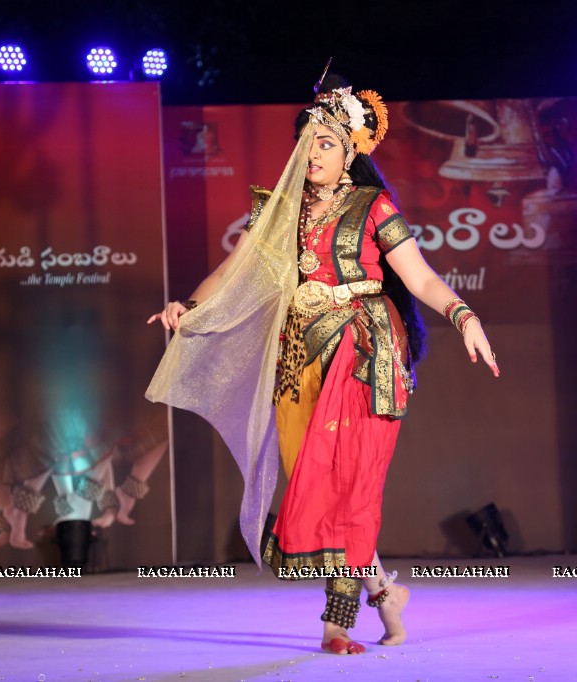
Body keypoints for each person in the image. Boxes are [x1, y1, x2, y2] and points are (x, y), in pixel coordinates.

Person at [146, 73, 498, 655]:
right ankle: (385, 592)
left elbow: (419, 277)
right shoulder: (279, 212)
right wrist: (189, 305)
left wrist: (464, 316)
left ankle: (337, 622)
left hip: (363, 352)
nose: (313, 152)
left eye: (327, 141)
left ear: (352, 149)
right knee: (317, 482)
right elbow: (234, 275)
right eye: (306, 140)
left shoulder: (373, 206)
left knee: (349, 483)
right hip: (298, 358)